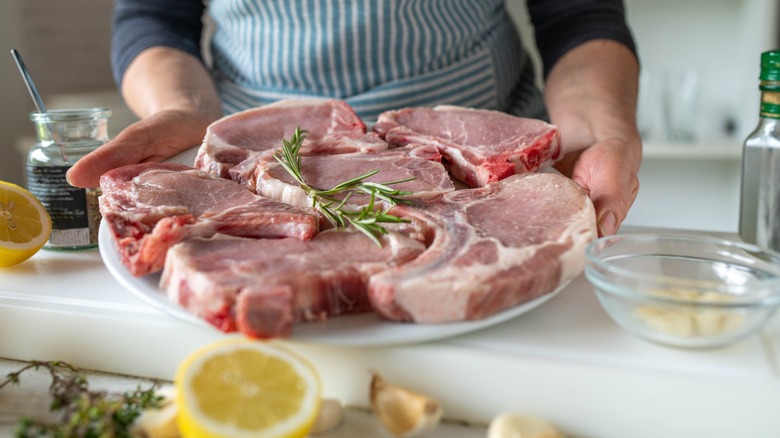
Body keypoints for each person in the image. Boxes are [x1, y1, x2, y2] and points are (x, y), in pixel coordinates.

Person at [66, 0, 641, 237]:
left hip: (489, 170)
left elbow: (579, 15)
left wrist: (599, 130)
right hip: (255, 174)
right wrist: (187, 112)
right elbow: (154, 17)